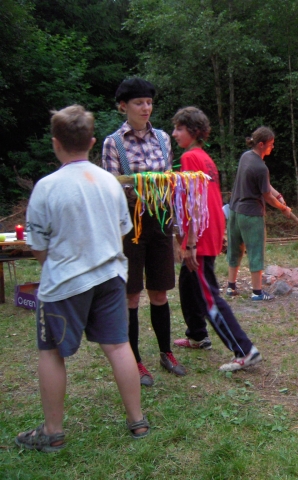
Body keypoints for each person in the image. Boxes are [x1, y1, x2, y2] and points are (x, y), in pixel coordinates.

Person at [16, 105, 149, 452]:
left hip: (64, 283)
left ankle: (53, 432)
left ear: (55, 143)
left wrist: (53, 264)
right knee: (119, 346)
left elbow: (38, 247)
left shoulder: (46, 188)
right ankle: (137, 421)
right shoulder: (109, 182)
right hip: (110, 277)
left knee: (51, 352)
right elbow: (123, 229)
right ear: (91, 142)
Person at [102, 78, 185, 386]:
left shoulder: (163, 138)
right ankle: (135, 360)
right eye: (139, 103)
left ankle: (166, 352)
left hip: (160, 220)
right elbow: (111, 189)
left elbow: (169, 180)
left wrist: (176, 224)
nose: (146, 108)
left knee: (160, 291)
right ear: (123, 106)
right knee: (131, 294)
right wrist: (140, 188)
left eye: (149, 102)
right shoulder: (113, 143)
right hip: (130, 224)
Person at [171, 107, 263, 371]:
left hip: (199, 234)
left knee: (209, 296)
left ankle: (244, 350)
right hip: (209, 229)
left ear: (193, 131)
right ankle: (197, 335)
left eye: (179, 128)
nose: (174, 133)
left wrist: (190, 243)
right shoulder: (205, 158)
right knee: (188, 282)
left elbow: (193, 202)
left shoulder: (190, 157)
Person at [226, 127, 291, 301]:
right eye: (271, 144)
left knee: (235, 249)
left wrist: (279, 196)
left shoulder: (246, 157)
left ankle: (231, 287)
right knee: (255, 251)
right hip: (251, 215)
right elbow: (266, 196)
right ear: (261, 144)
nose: (273, 147)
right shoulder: (261, 167)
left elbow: (265, 187)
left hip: (234, 211)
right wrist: (283, 208)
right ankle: (257, 292)